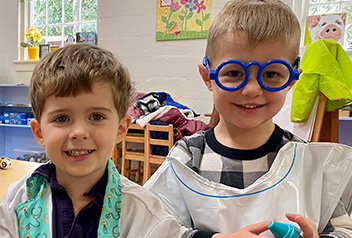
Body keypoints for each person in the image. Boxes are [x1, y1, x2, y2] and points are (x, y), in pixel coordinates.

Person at [144, 0, 352, 237]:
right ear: (207, 77)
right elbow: (154, 226)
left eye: (272, 73)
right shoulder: (189, 157)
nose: (252, 89)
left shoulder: (308, 164)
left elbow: (344, 230)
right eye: (234, 73)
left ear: (292, 78)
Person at [0, 44, 193, 238]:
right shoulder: (17, 200)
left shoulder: (143, 212)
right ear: (39, 132)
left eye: (97, 117)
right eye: (62, 118)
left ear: (121, 129)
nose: (79, 133)